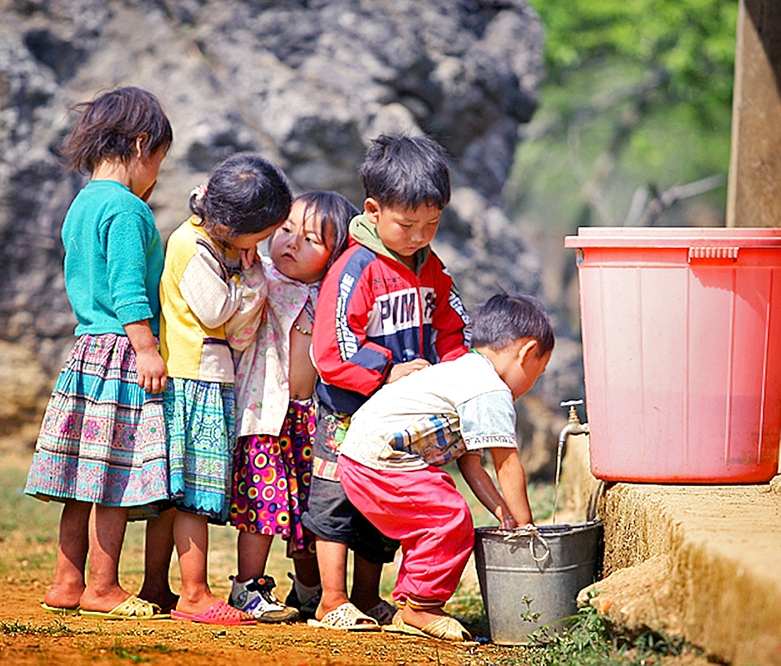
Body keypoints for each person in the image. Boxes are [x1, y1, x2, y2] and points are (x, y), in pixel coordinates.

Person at [302, 134, 470, 630]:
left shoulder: (431, 268)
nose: (420, 235)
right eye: (407, 224)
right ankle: (331, 599)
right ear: (374, 211)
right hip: (346, 410)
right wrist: (386, 371)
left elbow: (450, 326)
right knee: (334, 501)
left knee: (387, 500)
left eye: (432, 224)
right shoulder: (357, 268)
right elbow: (331, 350)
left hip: (401, 416)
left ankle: (367, 596)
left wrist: (458, 375)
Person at [23, 87, 173, 619]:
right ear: (140, 145)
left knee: (81, 477)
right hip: (122, 352)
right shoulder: (128, 210)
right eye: (158, 159)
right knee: (113, 475)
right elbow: (130, 289)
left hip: (86, 349)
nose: (156, 174)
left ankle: (67, 582)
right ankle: (103, 587)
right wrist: (148, 349)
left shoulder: (82, 202)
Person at [338, 292, 553, 641]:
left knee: (434, 511)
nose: (532, 385)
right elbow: (507, 464)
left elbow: (472, 464)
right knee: (448, 516)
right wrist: (527, 527)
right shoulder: (489, 390)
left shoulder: (465, 372)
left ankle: (412, 600)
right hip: (380, 460)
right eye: (538, 374)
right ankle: (422, 606)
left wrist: (503, 512)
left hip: (362, 457)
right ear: (527, 353)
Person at [142, 153, 293, 627]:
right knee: (194, 493)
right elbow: (216, 311)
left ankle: (156, 587)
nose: (264, 245)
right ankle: (194, 593)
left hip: (198, 374)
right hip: (197, 377)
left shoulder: (206, 240)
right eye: (262, 236)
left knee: (177, 490)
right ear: (233, 226)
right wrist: (249, 277)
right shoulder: (192, 247)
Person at [224, 191, 357, 623]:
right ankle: (248, 587)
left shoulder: (333, 295)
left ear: (335, 255)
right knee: (264, 504)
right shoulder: (262, 278)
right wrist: (251, 283)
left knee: (309, 508)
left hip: (311, 418)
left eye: (311, 239)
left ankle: (308, 589)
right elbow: (238, 333)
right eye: (285, 230)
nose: (292, 243)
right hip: (265, 415)